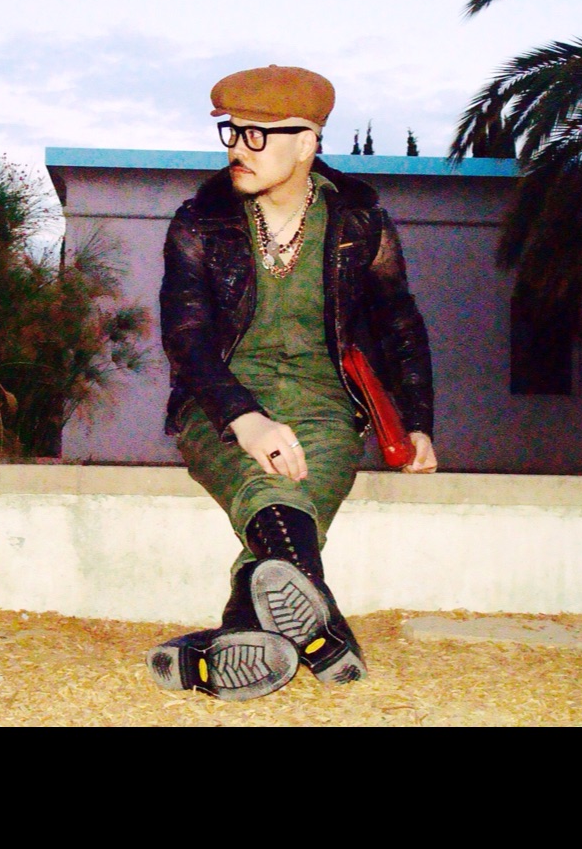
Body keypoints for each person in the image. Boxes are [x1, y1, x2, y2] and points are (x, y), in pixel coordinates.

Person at [147, 65, 437, 702]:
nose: (237, 148)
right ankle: (325, 633)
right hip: (218, 406)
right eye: (232, 132)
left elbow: (399, 322)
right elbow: (187, 338)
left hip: (327, 409)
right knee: (269, 484)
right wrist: (245, 419)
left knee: (299, 486)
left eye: (257, 135)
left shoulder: (361, 224)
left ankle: (237, 638)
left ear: (306, 143)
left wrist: (418, 422)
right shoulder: (198, 223)